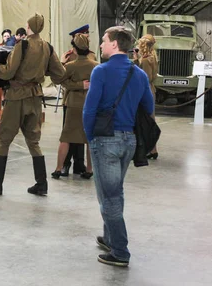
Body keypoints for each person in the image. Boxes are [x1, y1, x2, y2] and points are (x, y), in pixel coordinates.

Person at [83, 26, 154, 267]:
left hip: (106, 140)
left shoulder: (100, 71)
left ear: (114, 44)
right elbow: (148, 107)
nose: (101, 45)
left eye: (104, 41)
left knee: (109, 196)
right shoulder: (140, 74)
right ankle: (110, 237)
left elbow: (89, 109)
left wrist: (91, 137)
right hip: (129, 141)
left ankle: (120, 251)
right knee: (115, 191)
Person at [0, 14, 66, 196]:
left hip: (16, 97)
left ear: (28, 27)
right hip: (36, 97)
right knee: (34, 141)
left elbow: (9, 72)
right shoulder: (48, 47)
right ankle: (41, 183)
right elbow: (60, 74)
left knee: (4, 140)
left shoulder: (23, 45)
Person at [51, 34, 98, 180]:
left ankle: (59, 168)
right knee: (90, 138)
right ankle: (89, 170)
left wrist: (76, 85)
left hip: (72, 105)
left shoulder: (70, 66)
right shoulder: (96, 66)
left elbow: (57, 79)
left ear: (75, 49)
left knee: (66, 137)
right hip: (91, 105)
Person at [133, 34, 159, 159]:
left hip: (145, 90)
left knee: (145, 120)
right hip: (150, 89)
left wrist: (136, 61)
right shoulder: (152, 58)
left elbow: (144, 77)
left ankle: (149, 149)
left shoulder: (145, 60)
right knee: (150, 119)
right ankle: (152, 149)